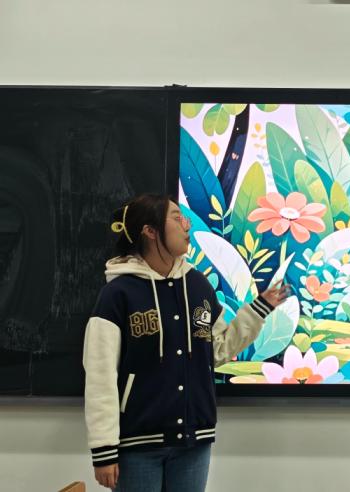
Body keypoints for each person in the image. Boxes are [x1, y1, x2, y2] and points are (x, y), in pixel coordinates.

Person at [83, 193, 290, 491]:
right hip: (138, 444)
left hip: (194, 441)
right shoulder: (117, 294)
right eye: (176, 217)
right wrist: (104, 450)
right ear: (150, 230)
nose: (187, 224)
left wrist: (260, 309)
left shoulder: (197, 286)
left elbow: (216, 350)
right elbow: (100, 376)